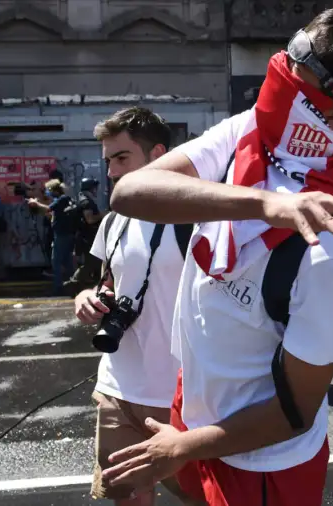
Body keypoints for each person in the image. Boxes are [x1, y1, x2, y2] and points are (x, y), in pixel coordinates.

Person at [97, 7, 333, 505]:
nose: (279, 71)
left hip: (261, 464)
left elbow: (295, 411)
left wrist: (180, 448)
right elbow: (133, 191)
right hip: (197, 413)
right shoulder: (253, 135)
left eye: (298, 67)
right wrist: (268, 203)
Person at [71, 107, 200, 506]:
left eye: (122, 158)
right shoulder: (114, 220)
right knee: (127, 498)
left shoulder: (198, 218)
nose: (111, 172)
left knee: (207, 498)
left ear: (158, 154)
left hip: (182, 399)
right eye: (108, 160)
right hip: (116, 391)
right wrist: (87, 299)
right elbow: (106, 282)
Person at [28, 179, 76, 294]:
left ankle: (59, 286)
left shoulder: (61, 199)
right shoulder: (63, 200)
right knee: (67, 261)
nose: (47, 193)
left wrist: (35, 203)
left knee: (56, 261)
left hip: (62, 234)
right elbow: (52, 214)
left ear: (54, 190)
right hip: (64, 234)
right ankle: (73, 283)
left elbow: (49, 209)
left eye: (49, 190)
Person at [65, 177, 106, 292]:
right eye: (95, 187)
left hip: (86, 237)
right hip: (86, 238)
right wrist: (104, 214)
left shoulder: (83, 198)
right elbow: (90, 219)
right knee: (91, 263)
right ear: (91, 188)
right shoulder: (86, 201)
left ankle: (92, 284)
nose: (96, 190)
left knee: (94, 262)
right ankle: (73, 283)